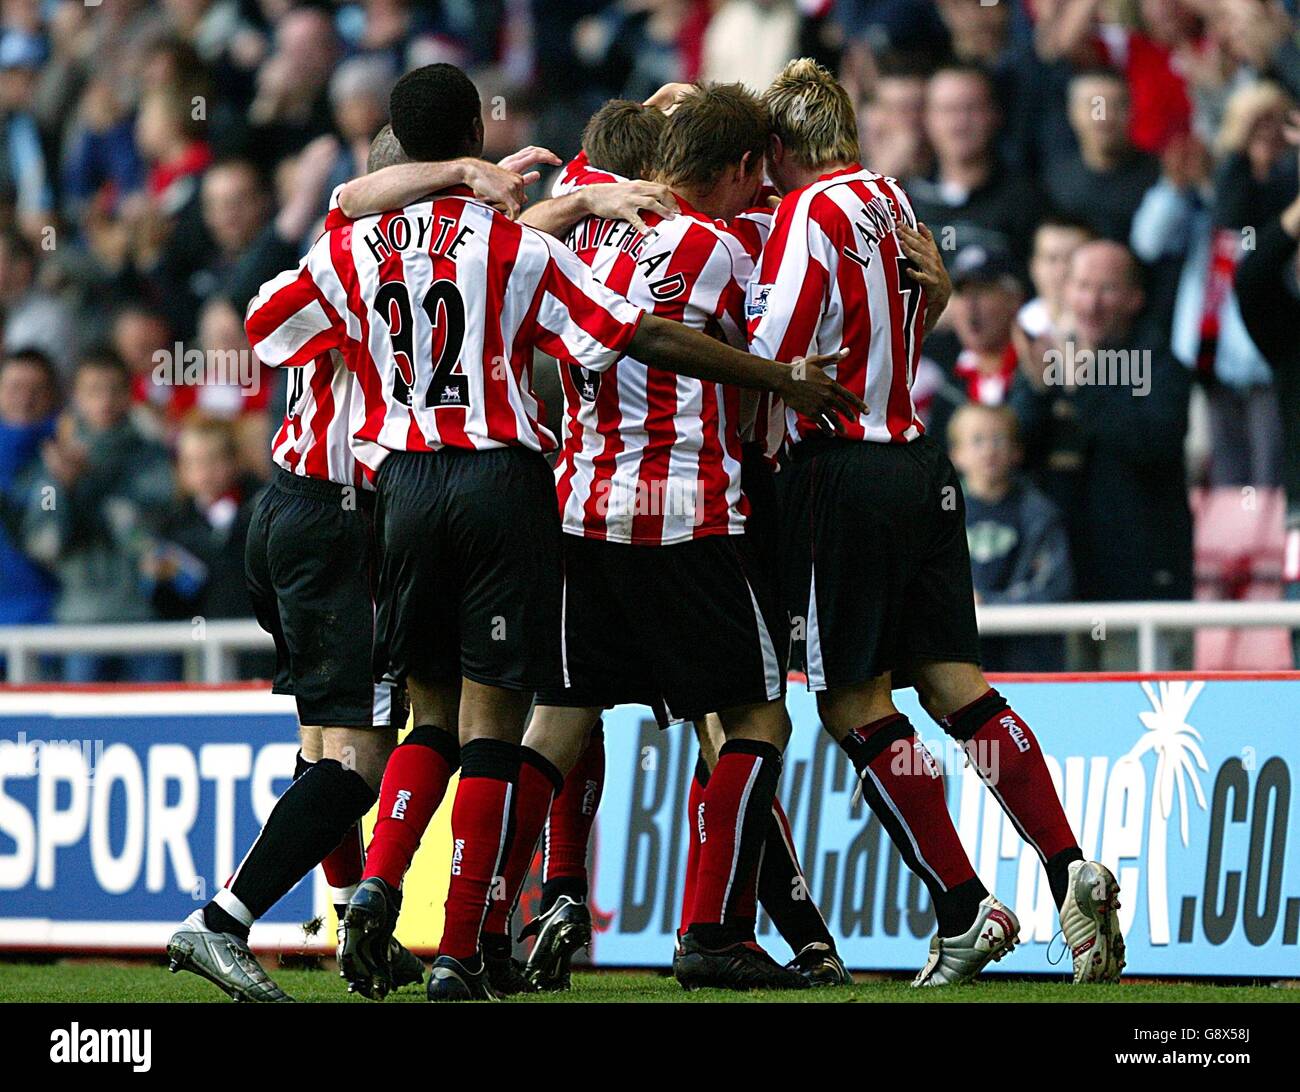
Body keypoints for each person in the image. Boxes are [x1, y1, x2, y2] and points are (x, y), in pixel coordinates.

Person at [250, 62, 859, 1004]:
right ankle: (468, 947)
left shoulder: (356, 245)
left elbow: (266, 324)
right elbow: (626, 334)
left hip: (406, 489)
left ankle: (385, 887)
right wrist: (777, 380)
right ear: (477, 142)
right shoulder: (530, 246)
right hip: (556, 491)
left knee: (465, 718)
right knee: (532, 722)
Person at [749, 57, 1124, 986]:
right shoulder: (893, 198)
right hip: (922, 461)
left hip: (842, 473)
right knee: (960, 689)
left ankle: (963, 907)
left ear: (785, 147)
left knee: (851, 703)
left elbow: (773, 350)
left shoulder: (809, 214)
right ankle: (1067, 866)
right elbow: (924, 305)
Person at [164, 124, 540, 1004]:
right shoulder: (406, 260)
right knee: (362, 760)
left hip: (282, 510)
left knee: (323, 742)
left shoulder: (336, 255)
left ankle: (342, 922)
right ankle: (221, 921)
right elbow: (496, 276)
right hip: (344, 523)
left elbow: (267, 333)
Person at [18, 350, 175, 681]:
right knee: (81, 728)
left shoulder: (151, 458)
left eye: (114, 389)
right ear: (76, 397)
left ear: (129, 395)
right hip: (79, 620)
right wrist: (63, 489)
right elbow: (45, 545)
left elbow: (146, 532)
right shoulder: (53, 465)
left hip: (144, 617)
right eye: (93, 390)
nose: (104, 400)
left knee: (158, 724)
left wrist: (87, 484)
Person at [948, 402, 1073, 672]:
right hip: (959, 660)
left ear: (1017, 452)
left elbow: (1055, 587)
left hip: (1027, 660)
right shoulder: (938, 513)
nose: (989, 450)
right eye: (977, 440)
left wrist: (987, 604)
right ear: (956, 454)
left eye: (999, 439)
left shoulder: (1040, 512)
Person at [0, 351, 59, 635]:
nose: (25, 399)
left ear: (53, 395)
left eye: (36, 389)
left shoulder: (74, 453)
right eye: (15, 388)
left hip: (52, 622)